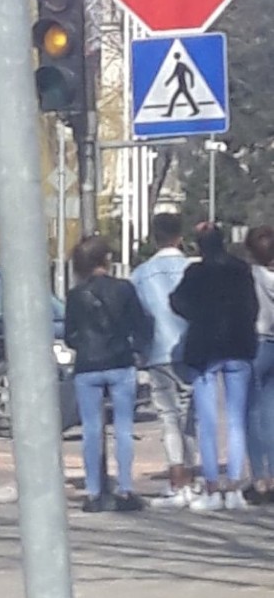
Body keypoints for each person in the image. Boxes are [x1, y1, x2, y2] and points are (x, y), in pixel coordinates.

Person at [170, 223, 258, 512]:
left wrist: (199, 316)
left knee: (206, 421)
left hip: (204, 347)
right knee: (235, 420)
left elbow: (176, 301)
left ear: (199, 246)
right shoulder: (240, 269)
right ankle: (233, 487)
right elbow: (252, 306)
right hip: (238, 346)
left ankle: (211, 487)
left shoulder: (195, 273)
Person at [65, 235, 152, 513]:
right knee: (124, 428)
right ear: (106, 260)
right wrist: (137, 350)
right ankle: (125, 490)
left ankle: (93, 493)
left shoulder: (75, 295)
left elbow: (70, 336)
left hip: (87, 366)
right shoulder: (124, 289)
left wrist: (86, 346)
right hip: (119, 362)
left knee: (91, 430)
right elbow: (141, 325)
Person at [131, 212, 196, 507]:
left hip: (158, 351)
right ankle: (192, 481)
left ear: (154, 237)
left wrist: (142, 348)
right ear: (180, 237)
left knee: (168, 417)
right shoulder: (192, 269)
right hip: (191, 349)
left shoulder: (141, 275)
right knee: (189, 416)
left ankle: (175, 479)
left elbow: (137, 316)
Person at [244, 225, 274, 503]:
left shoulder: (252, 276)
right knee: (270, 412)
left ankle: (259, 478)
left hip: (258, 344)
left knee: (251, 415)